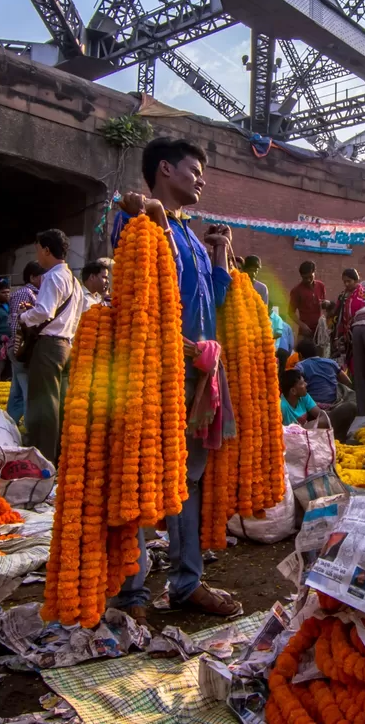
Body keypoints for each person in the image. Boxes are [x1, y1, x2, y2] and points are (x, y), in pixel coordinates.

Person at [112, 137, 242, 620]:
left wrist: (222, 255)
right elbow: (134, 269)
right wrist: (144, 211)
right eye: (194, 169)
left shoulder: (189, 233)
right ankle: (131, 591)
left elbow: (216, 299)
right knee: (143, 473)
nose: (202, 179)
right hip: (155, 369)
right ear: (164, 169)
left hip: (197, 371)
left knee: (188, 478)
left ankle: (187, 582)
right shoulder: (137, 219)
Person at [18, 230, 84, 465]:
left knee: (44, 403)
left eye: (38, 250)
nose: (38, 256)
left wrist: (25, 316)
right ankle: (59, 455)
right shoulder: (74, 282)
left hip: (48, 346)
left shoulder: (53, 277)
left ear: (46, 250)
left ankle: (43, 458)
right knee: (60, 403)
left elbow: (45, 311)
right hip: (65, 345)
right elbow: (74, 318)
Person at [6, 262, 43, 420]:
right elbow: (16, 325)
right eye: (43, 276)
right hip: (22, 350)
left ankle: (10, 425)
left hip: (21, 350)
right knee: (28, 392)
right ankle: (29, 430)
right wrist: (22, 350)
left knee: (18, 391)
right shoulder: (24, 293)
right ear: (33, 277)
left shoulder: (36, 293)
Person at [330, 268, 365, 364]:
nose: (346, 284)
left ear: (356, 280)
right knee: (349, 362)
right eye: (344, 282)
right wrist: (336, 337)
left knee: (364, 360)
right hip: (347, 336)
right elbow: (337, 316)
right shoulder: (343, 296)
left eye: (349, 281)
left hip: (364, 333)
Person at [289, 260, 328, 343]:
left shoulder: (321, 286)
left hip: (320, 330)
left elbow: (323, 305)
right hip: (305, 332)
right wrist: (302, 325)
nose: (307, 279)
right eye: (305, 278)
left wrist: (326, 303)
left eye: (310, 276)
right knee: (303, 355)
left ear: (314, 272)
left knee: (321, 354)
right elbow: (290, 312)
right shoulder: (296, 291)